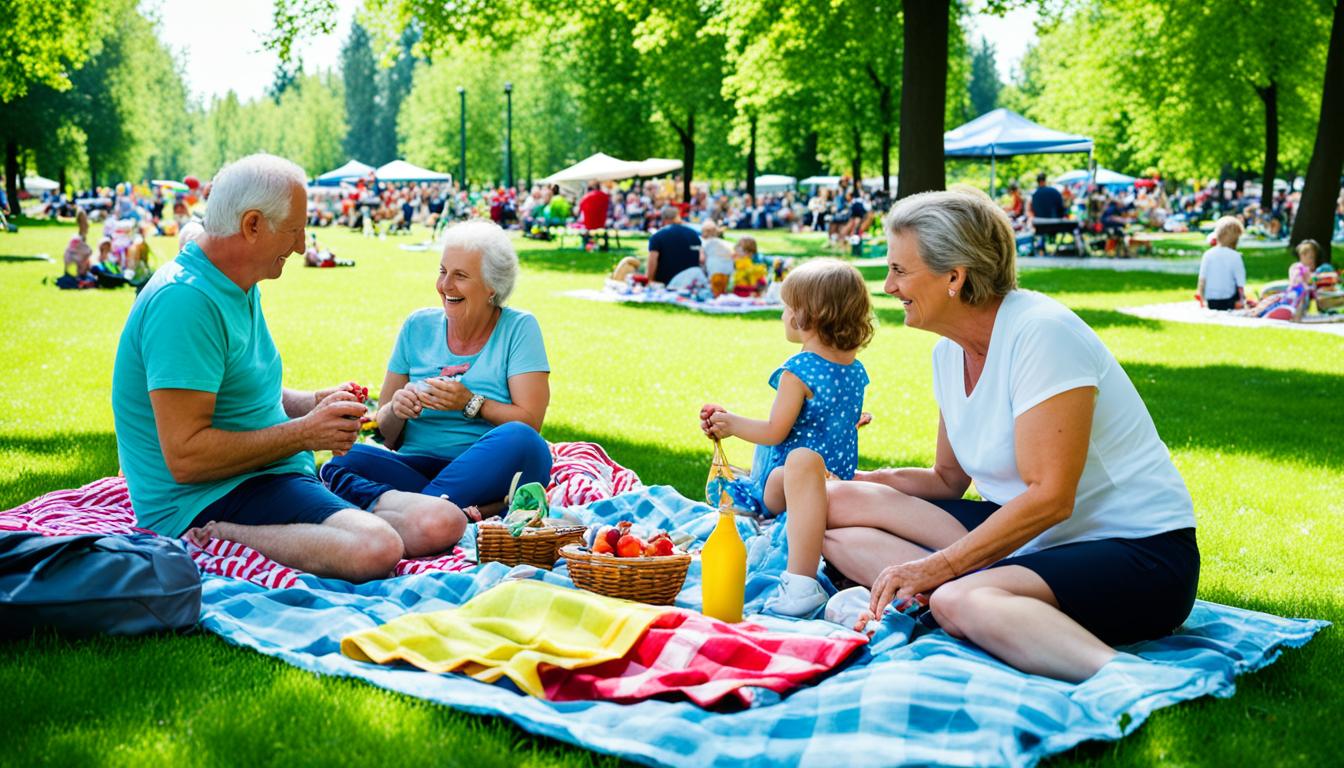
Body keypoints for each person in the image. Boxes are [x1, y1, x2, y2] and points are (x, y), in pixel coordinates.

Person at [819, 188, 1198, 682]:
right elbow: (946, 479)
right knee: (831, 510)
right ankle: (983, 604)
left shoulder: (1042, 333)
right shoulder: (948, 352)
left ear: (955, 276)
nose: (887, 285)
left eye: (900, 270)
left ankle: (1126, 678)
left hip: (1136, 553)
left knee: (957, 596)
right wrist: (858, 478)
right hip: (1031, 543)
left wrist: (940, 568)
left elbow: (1050, 499)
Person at [112, 153, 465, 583]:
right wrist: (306, 433)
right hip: (206, 498)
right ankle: (221, 537)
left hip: (269, 476)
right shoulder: (186, 302)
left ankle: (322, 510)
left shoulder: (233, 281)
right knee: (377, 548)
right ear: (253, 225)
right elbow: (186, 457)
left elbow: (240, 396)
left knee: (443, 521)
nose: (300, 246)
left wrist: (314, 403)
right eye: (295, 230)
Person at [319, 220, 552, 522]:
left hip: (485, 471)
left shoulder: (519, 328)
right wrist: (397, 409)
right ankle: (449, 513)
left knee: (523, 441)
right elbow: (387, 436)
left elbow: (530, 422)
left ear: (492, 286)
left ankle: (411, 514)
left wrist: (471, 403)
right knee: (341, 460)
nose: (445, 286)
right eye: (443, 271)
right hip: (414, 467)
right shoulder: (417, 326)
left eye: (460, 276)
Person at [701, 258, 873, 617]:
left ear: (808, 315)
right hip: (836, 480)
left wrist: (729, 424)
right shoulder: (855, 369)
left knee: (769, 480)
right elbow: (831, 419)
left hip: (788, 486)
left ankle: (784, 559)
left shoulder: (798, 370)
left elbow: (774, 432)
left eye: (787, 307)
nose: (783, 315)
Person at [1197, 216, 1247, 310]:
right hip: (1229, 301)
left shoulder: (1208, 254)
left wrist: (1201, 298)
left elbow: (1202, 279)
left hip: (1211, 301)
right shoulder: (1236, 256)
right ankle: (1237, 305)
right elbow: (1240, 283)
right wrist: (1242, 300)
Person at [646, 204, 701, 285]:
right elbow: (701, 258)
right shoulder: (693, 234)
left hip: (666, 283)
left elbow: (652, 261)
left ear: (664, 219)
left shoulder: (657, 236)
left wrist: (649, 281)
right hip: (692, 282)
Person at [1028, 173, 1066, 254]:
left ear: (1038, 182)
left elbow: (1032, 210)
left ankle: (1041, 248)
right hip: (1055, 224)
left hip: (1040, 225)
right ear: (1045, 180)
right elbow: (1061, 208)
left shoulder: (1034, 194)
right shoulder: (1054, 192)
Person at [700, 221, 735, 297]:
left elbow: (702, 259)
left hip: (714, 271)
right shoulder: (724, 243)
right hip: (729, 269)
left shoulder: (704, 244)